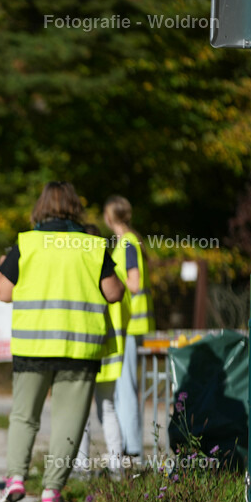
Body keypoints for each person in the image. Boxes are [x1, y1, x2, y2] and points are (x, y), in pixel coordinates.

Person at [0, 182, 124, 502]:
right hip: (79, 349)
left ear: (40, 207)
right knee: (69, 420)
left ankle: (16, 480)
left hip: (33, 345)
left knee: (25, 415)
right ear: (75, 207)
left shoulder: (26, 243)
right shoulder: (93, 246)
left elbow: (3, 292)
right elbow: (114, 293)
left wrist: (2, 264)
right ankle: (52, 492)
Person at [76, 221, 129, 477]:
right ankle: (116, 465)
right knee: (107, 407)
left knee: (80, 411)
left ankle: (81, 465)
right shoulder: (113, 277)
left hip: (86, 350)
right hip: (109, 350)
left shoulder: (82, 272)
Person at [105, 196, 154, 460]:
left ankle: (131, 448)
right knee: (125, 386)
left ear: (109, 217)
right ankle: (129, 445)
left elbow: (133, 283)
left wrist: (113, 280)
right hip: (130, 323)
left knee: (125, 387)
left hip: (130, 323)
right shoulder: (130, 242)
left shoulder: (127, 243)